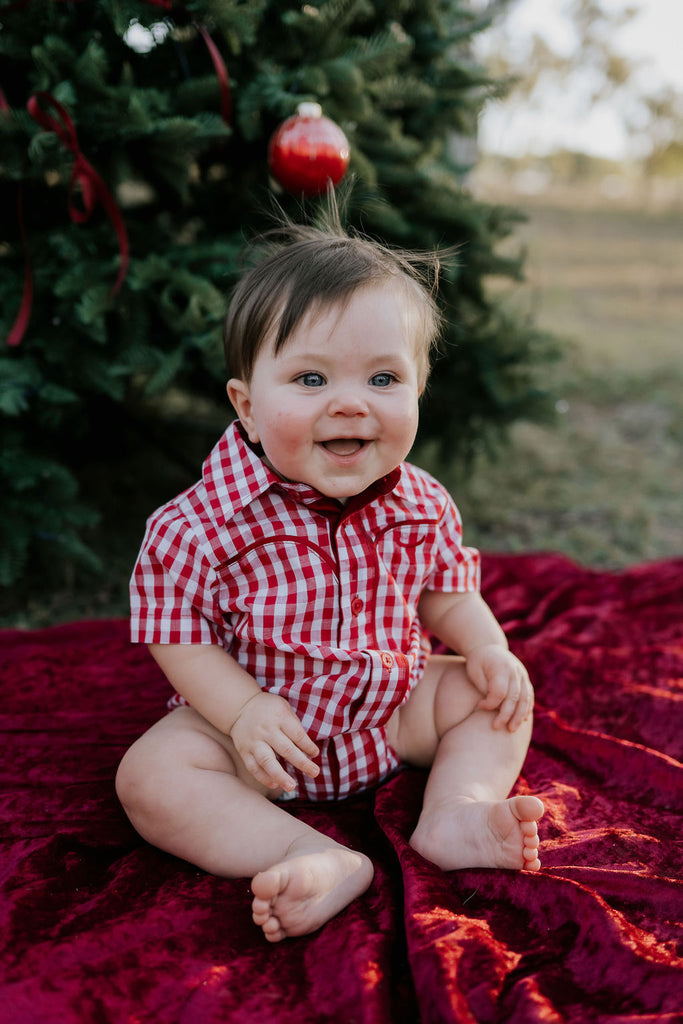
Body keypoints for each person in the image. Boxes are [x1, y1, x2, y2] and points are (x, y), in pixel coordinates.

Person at [116, 205, 544, 944]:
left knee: (494, 697)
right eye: (310, 378)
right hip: (260, 738)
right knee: (151, 777)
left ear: (417, 389)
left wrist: (487, 648)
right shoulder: (197, 527)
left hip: (390, 709)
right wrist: (243, 711)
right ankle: (308, 854)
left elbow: (445, 589)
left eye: (383, 377)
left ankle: (454, 814)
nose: (350, 402)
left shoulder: (420, 502)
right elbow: (178, 636)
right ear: (247, 408)